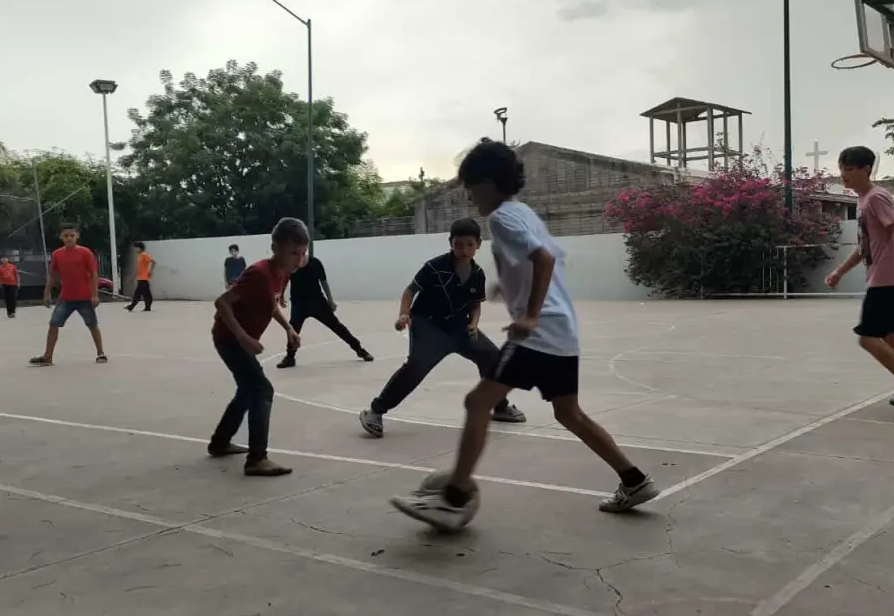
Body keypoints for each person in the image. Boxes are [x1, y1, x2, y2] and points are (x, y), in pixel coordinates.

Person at [391, 139, 659, 531]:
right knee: (569, 413)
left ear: (489, 183)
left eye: (471, 186)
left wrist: (530, 315)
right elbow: (549, 260)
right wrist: (511, 290)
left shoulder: (501, 218)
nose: (469, 195)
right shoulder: (524, 213)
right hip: (562, 332)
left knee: (478, 401)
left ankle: (452, 498)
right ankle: (635, 480)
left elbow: (544, 259)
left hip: (539, 334)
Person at [360, 218, 526, 436]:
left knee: (492, 357)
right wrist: (404, 314)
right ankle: (375, 411)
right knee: (416, 367)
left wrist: (474, 326)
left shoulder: (477, 274)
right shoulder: (434, 267)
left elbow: (475, 307)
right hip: (428, 325)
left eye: (469, 244)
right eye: (458, 244)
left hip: (460, 327)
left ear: (478, 244)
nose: (463, 249)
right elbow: (410, 290)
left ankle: (500, 407)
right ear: (450, 243)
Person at [825, 146, 894, 423]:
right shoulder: (863, 201)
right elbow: (866, 247)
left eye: (850, 169)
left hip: (887, 280)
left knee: (867, 338)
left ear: (866, 169)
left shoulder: (876, 198)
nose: (844, 175)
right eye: (841, 169)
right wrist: (840, 271)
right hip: (882, 277)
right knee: (891, 336)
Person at [209, 217, 308, 477]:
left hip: (241, 340)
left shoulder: (284, 273)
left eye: (302, 253)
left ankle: (219, 443)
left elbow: (271, 303)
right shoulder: (258, 273)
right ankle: (257, 458)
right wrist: (242, 337)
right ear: (275, 247)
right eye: (293, 253)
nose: (299, 260)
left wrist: (288, 328)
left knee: (247, 390)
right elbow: (222, 303)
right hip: (229, 339)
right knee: (262, 389)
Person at [276, 250, 373, 367]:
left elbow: (323, 281)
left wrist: (330, 300)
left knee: (337, 326)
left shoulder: (315, 263)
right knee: (293, 330)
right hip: (299, 304)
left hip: (318, 302)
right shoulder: (290, 264)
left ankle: (359, 349)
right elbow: (284, 279)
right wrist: (281, 295)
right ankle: (290, 357)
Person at [30, 224, 107, 366]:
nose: (69, 238)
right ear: (61, 237)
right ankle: (47, 357)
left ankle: (101, 353)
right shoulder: (57, 254)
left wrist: (95, 295)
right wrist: (46, 294)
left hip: (85, 297)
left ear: (77, 236)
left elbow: (94, 274)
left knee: (92, 325)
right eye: (66, 236)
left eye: (72, 235)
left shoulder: (85, 253)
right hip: (66, 298)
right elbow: (53, 275)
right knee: (53, 324)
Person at [125, 241, 156, 312]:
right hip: (140, 278)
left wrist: (150, 271)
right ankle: (147, 307)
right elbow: (139, 268)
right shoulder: (139, 256)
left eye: (135, 248)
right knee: (147, 294)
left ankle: (131, 306)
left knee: (138, 293)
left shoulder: (144, 255)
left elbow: (153, 262)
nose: (134, 249)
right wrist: (134, 277)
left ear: (139, 248)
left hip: (144, 278)